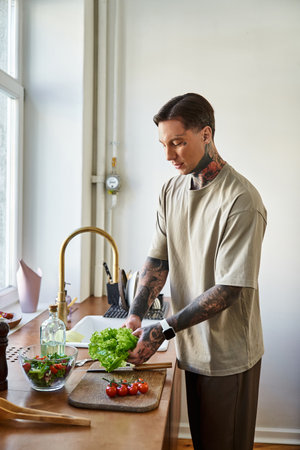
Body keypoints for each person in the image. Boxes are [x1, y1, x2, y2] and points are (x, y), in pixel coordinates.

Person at [124, 93, 267, 450]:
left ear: (206, 135)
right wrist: (135, 314)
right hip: (189, 345)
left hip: (228, 355)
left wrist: (164, 330)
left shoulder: (241, 201)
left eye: (177, 143)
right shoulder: (171, 190)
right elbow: (158, 261)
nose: (169, 156)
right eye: (163, 144)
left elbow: (228, 290)